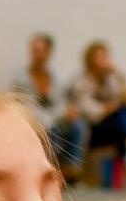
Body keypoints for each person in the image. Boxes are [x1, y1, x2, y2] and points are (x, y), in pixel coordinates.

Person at [68, 40, 126, 192]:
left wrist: (119, 74)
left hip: (112, 127)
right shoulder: (81, 82)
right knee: (120, 116)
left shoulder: (111, 78)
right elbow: (92, 112)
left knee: (124, 113)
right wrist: (113, 106)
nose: (104, 61)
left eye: (106, 56)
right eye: (100, 57)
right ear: (90, 60)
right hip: (91, 130)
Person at [11, 32, 86, 182]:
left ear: (49, 53)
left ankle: (70, 171)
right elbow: (23, 105)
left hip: (55, 119)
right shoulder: (21, 78)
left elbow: (60, 102)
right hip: (35, 121)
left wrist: (68, 112)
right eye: (34, 51)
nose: (37, 55)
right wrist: (58, 116)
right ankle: (48, 172)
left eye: (40, 51)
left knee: (78, 126)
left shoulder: (54, 77)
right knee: (51, 130)